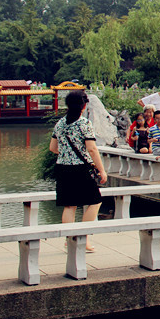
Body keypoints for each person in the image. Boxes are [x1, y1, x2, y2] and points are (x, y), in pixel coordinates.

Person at [49, 90, 107, 253]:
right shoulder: (84, 123)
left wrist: (66, 153)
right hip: (80, 169)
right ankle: (83, 239)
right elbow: (92, 149)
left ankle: (69, 241)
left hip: (62, 168)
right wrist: (102, 170)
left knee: (69, 205)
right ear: (84, 106)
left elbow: (52, 148)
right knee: (95, 201)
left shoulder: (60, 123)